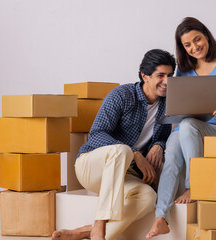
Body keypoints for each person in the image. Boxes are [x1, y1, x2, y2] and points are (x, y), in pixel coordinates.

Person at [51, 49, 175, 240]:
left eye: (170, 75)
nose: (166, 81)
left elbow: (164, 136)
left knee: (148, 197)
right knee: (122, 150)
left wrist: (159, 145)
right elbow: (96, 134)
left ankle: (87, 231)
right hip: (92, 167)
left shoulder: (167, 105)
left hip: (124, 174)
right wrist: (135, 153)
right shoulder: (122, 95)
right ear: (145, 76)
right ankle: (99, 225)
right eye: (161, 75)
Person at [146, 17, 216, 238]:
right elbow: (181, 106)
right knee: (172, 149)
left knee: (188, 124)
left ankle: (195, 185)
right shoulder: (184, 69)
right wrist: (174, 133)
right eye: (187, 45)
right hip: (189, 126)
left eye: (197, 39)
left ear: (207, 36)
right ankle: (160, 217)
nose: (194, 47)